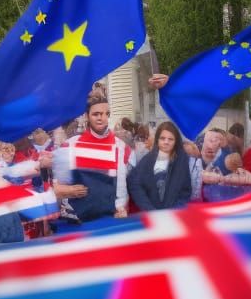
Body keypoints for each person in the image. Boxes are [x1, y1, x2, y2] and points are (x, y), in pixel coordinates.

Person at [55, 93, 134, 222]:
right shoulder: (70, 145)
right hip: (78, 221)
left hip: (109, 219)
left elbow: (122, 185)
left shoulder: (121, 147)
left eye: (105, 114)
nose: (101, 118)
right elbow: (60, 187)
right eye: (96, 114)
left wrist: (121, 207)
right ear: (87, 116)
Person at [127, 121, 191, 211]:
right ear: (157, 139)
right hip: (152, 213)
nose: (166, 142)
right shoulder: (148, 160)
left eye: (170, 139)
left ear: (176, 141)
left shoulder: (182, 161)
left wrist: (175, 210)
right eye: (162, 138)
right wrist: (148, 208)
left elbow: (185, 191)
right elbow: (134, 183)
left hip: (173, 214)